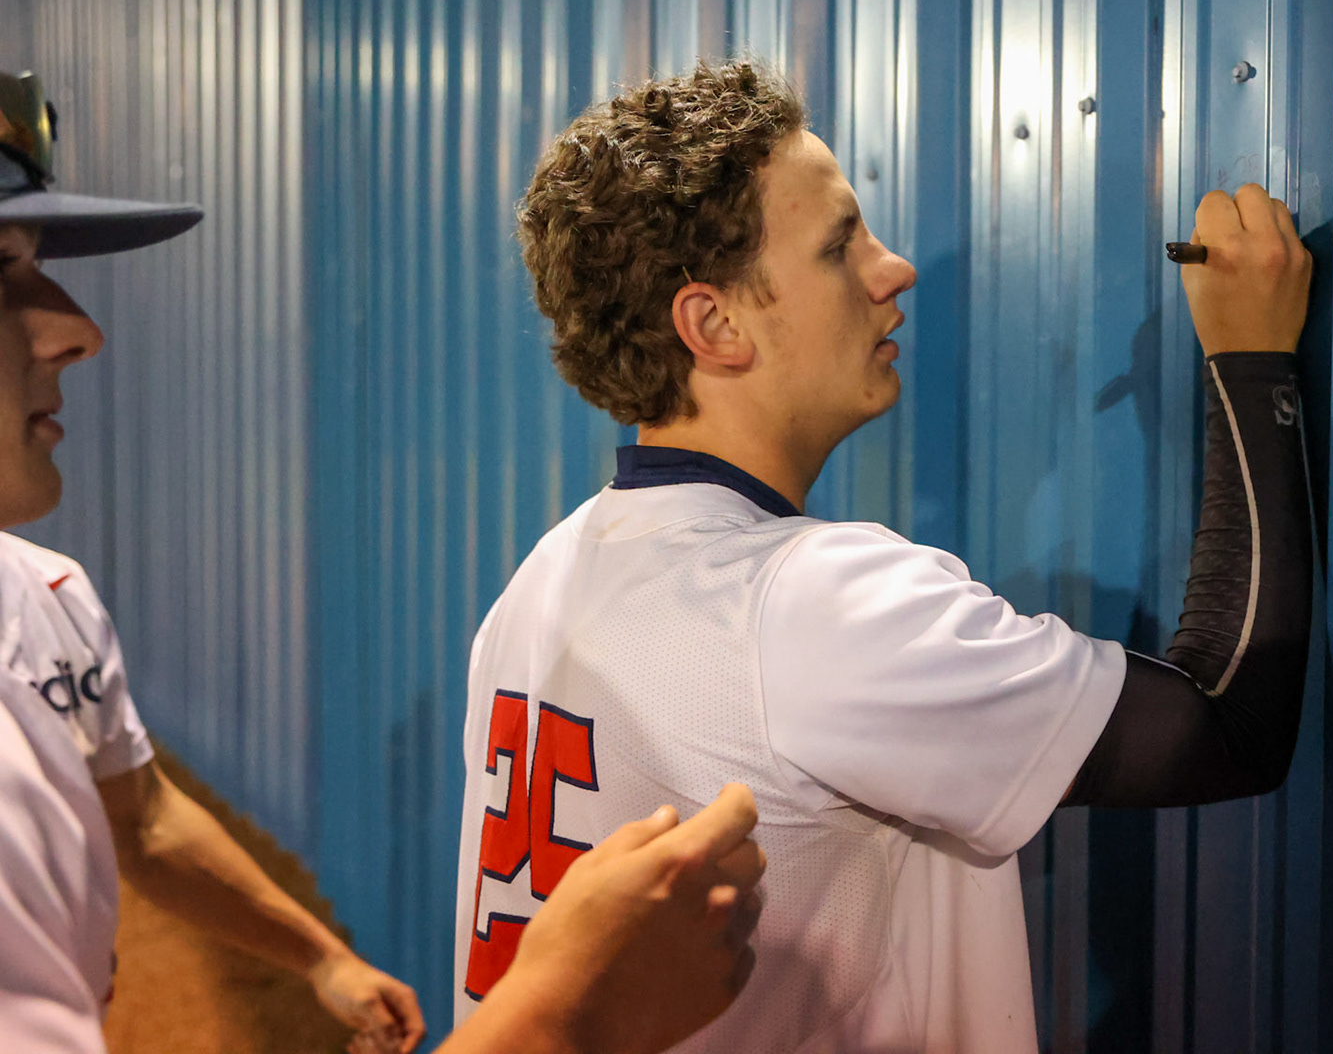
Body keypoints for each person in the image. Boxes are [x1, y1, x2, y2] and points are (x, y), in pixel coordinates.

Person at [453, 58, 1316, 1051]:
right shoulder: (816, 602)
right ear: (714, 322)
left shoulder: (541, 581)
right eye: (838, 245)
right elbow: (1231, 724)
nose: (893, 267)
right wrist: (1253, 361)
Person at [0, 70, 764, 1054]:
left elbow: (140, 815)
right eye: (2, 269)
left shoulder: (44, 596)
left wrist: (319, 953)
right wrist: (567, 1012)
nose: (77, 329)